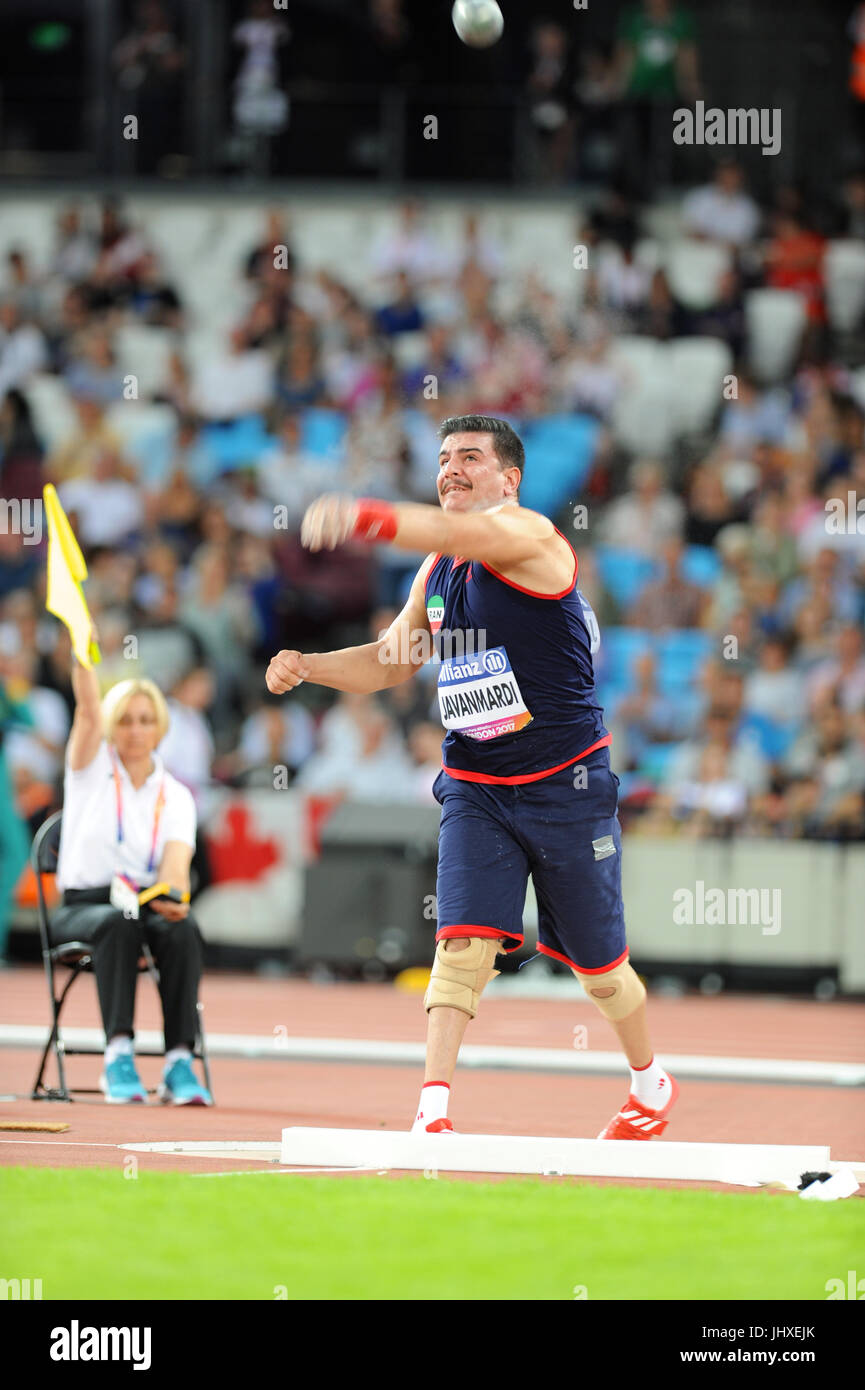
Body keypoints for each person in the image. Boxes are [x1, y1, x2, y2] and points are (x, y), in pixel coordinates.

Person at [266, 414, 678, 1141]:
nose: (450, 469)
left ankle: (649, 1080)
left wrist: (369, 515)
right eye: (443, 458)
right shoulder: (437, 570)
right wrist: (310, 666)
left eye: (469, 458)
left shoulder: (531, 538)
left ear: (508, 479)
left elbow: (464, 535)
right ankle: (432, 1111)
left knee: (598, 969)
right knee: (461, 945)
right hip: (477, 784)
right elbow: (391, 661)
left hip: (566, 785)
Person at [51, 648, 211, 1105]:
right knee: (116, 922)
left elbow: (177, 867)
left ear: (160, 727)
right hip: (85, 906)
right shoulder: (89, 768)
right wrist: (82, 650)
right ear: (110, 726)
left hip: (142, 900)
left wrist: (174, 898)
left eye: (145, 720)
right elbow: (85, 707)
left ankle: (180, 1060)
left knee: (182, 926)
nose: (135, 730)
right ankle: (117, 1055)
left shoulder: (176, 795)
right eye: (124, 720)